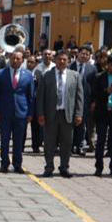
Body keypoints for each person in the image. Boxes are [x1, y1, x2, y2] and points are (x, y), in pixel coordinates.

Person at [38, 50, 85, 178]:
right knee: (49, 142)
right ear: (55, 60)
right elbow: (40, 96)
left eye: (64, 59)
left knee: (67, 142)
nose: (62, 61)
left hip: (67, 114)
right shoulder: (47, 75)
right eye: (59, 59)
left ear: (68, 61)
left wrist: (79, 114)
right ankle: (49, 167)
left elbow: (79, 97)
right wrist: (40, 113)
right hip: (51, 114)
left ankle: (64, 167)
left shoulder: (74, 76)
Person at [0, 49, 35, 174]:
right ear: (9, 59)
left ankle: (17, 164)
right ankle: (4, 163)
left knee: (18, 141)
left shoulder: (28, 75)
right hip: (4, 112)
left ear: (22, 60)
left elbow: (31, 96)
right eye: (13, 58)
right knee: (4, 140)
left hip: (21, 112)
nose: (15, 60)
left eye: (18, 59)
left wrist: (30, 113)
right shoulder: (1, 73)